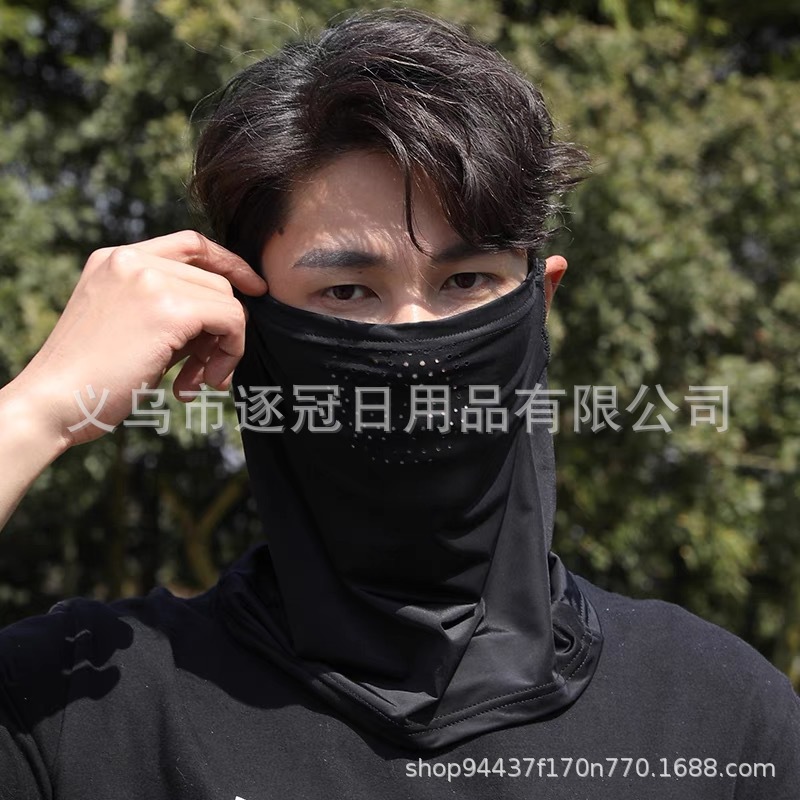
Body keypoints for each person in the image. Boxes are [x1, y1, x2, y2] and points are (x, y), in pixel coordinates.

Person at [0, 7, 797, 799]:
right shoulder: (80, 709)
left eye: (466, 281)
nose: (415, 340)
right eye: (348, 291)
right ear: (245, 321)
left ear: (540, 302)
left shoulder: (715, 712)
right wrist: (35, 411)